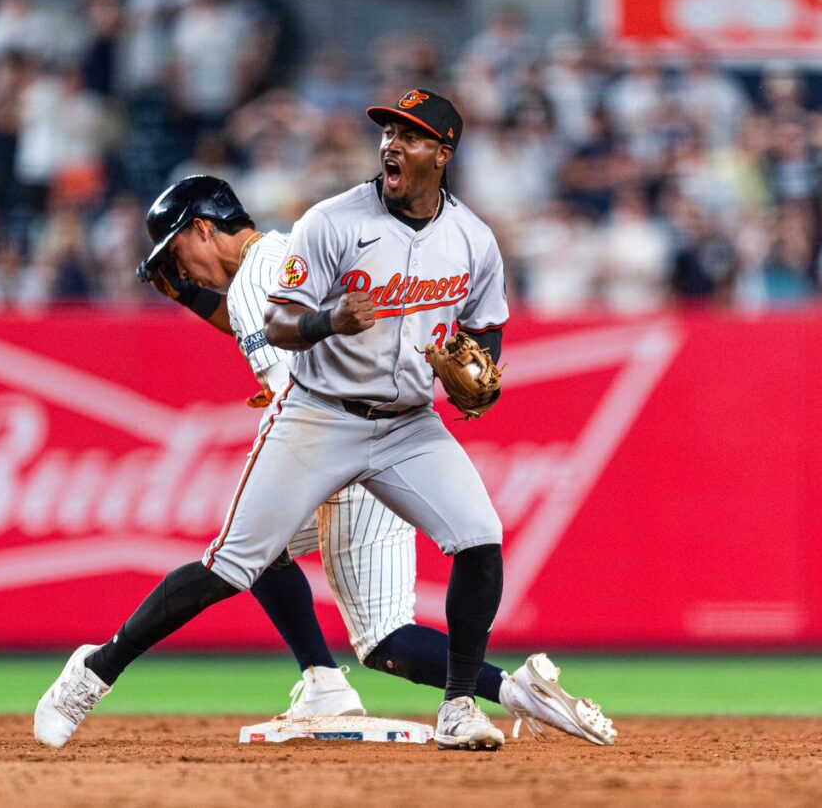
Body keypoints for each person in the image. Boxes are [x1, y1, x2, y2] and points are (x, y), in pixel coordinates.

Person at [34, 91, 615, 751]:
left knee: (451, 556)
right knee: (247, 567)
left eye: (177, 253)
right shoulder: (308, 238)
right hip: (324, 418)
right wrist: (264, 311)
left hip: (392, 424)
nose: (392, 143)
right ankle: (98, 669)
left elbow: (475, 331)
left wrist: (480, 379)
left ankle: (454, 697)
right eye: (388, 131)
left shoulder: (455, 240)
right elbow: (268, 323)